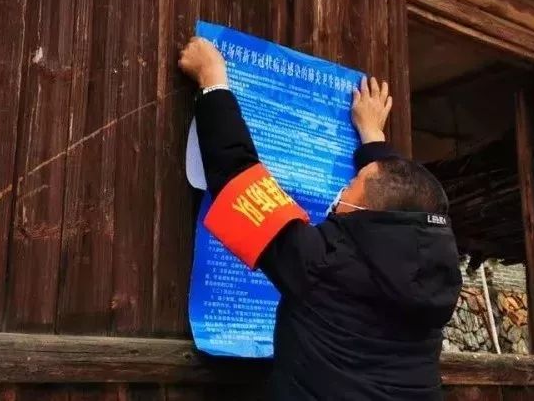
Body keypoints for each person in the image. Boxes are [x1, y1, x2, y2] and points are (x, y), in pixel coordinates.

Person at [179, 37, 461, 401]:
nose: (341, 193)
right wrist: (372, 135)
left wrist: (212, 79)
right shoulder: (435, 278)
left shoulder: (324, 264)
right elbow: (397, 197)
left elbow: (236, 177)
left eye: (351, 189)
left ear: (368, 215)